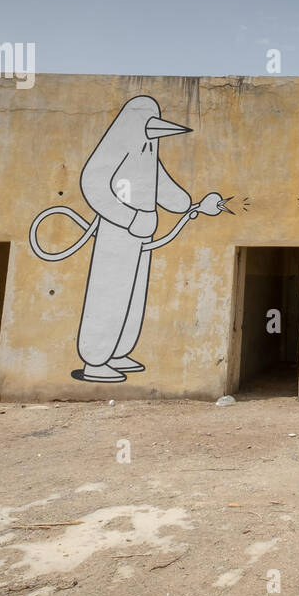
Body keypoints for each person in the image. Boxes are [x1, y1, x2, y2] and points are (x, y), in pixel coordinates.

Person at [75, 96, 192, 382]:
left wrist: (187, 203)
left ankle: (118, 352)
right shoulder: (114, 146)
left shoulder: (148, 149)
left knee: (134, 294)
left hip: (142, 232)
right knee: (110, 294)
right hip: (117, 230)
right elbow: (93, 184)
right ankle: (95, 359)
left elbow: (163, 187)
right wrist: (129, 218)